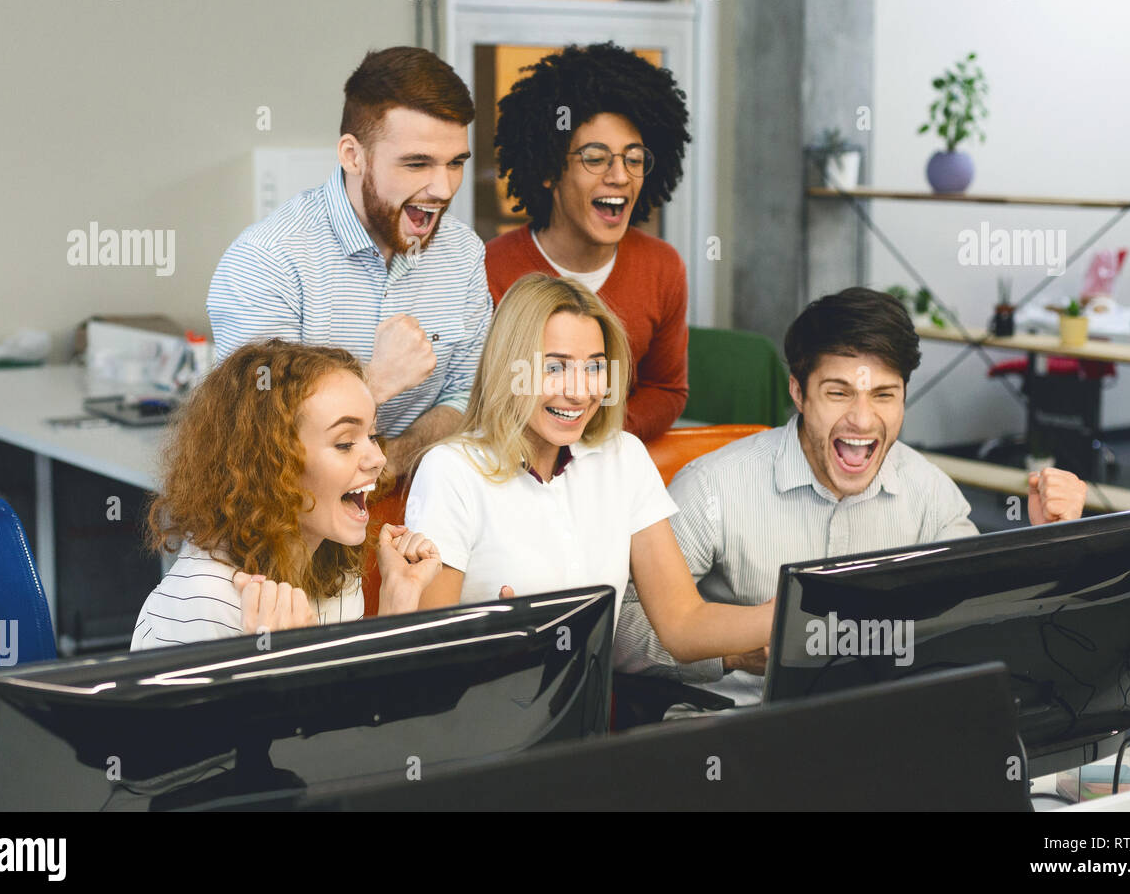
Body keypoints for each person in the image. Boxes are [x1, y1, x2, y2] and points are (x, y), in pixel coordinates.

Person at [613, 286, 1090, 707]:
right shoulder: (714, 486)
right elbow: (620, 632)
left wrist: (1050, 545)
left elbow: (979, 624)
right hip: (739, 727)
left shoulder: (930, 493)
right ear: (798, 393)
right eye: (839, 393)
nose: (862, 420)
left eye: (883, 395)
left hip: (884, 727)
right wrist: (729, 654)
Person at [404, 274, 772, 665]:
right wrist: (501, 644)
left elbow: (683, 624)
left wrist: (794, 613)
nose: (579, 392)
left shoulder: (624, 457)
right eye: (554, 368)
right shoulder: (450, 470)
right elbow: (429, 657)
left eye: (595, 367)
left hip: (589, 704)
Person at [207, 47, 492, 475]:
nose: (443, 188)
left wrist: (390, 462)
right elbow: (259, 431)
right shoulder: (267, 261)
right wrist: (374, 381)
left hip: (412, 503)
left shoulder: (464, 254)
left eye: (455, 163)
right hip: (292, 512)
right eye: (417, 163)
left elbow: (467, 396)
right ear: (352, 155)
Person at [131, 340, 440, 650]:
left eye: (372, 435)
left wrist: (397, 605)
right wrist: (283, 658)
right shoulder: (201, 603)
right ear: (270, 464)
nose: (379, 459)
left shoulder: (336, 571)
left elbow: (355, 684)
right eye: (345, 443)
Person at [485, 42, 690, 443]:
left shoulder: (662, 267)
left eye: (634, 159)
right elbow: (479, 396)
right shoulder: (490, 269)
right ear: (549, 169)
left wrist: (593, 439)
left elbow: (666, 389)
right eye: (595, 159)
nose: (620, 176)